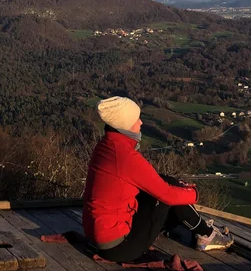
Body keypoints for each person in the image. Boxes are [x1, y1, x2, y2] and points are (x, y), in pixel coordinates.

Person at [83, 96, 233, 263]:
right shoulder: (124, 156)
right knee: (168, 191)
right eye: (136, 120)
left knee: (164, 182)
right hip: (119, 247)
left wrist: (178, 189)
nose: (140, 123)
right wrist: (194, 194)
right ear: (125, 126)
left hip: (100, 237)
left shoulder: (107, 146)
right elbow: (167, 195)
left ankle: (202, 231)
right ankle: (206, 234)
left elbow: (151, 182)